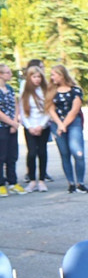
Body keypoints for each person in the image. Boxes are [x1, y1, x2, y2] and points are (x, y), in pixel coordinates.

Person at [46, 65, 88, 194]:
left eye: (54, 74)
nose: (52, 77)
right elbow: (50, 109)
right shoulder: (52, 90)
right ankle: (71, 183)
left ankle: (80, 182)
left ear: (62, 75)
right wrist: (59, 124)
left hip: (73, 123)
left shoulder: (75, 90)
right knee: (65, 154)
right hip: (57, 123)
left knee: (78, 153)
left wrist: (64, 125)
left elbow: (74, 110)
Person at [20, 66, 49, 193]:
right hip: (30, 126)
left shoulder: (45, 91)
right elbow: (22, 111)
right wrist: (29, 126)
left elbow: (48, 110)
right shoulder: (25, 92)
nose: (37, 79)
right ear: (29, 78)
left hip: (43, 126)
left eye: (39, 77)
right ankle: (32, 180)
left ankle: (42, 180)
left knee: (42, 152)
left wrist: (41, 125)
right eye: (34, 77)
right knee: (32, 153)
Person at [0, 64, 23, 197]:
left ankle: (13, 182)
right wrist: (11, 122)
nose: (10, 75)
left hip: (11, 126)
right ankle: (1, 184)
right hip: (1, 127)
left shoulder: (9, 88)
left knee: (12, 155)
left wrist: (15, 121)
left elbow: (15, 104)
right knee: (1, 156)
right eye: (7, 73)